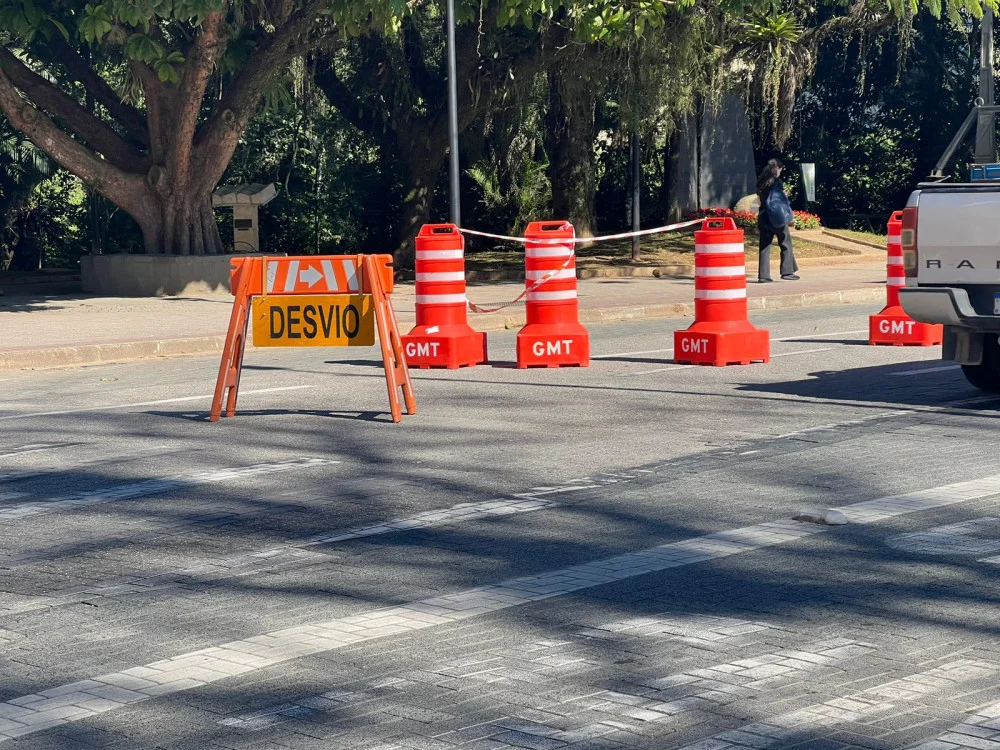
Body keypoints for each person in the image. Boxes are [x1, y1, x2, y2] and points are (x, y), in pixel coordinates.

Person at [755, 158, 799, 282]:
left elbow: (760, 200)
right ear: (778, 169)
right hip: (776, 217)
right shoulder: (776, 181)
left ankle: (763, 276)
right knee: (786, 242)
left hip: (763, 216)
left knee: (764, 246)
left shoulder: (761, 182)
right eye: (781, 169)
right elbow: (778, 200)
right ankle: (787, 271)